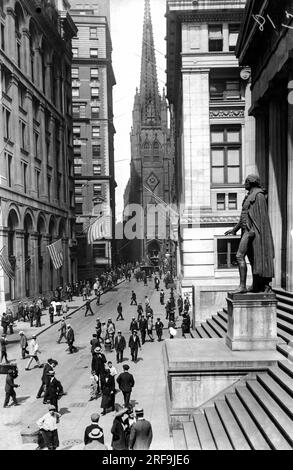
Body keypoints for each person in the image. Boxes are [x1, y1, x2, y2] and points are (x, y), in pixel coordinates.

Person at [225, 174, 275, 293]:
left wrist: (254, 230)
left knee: (239, 256)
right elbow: (244, 216)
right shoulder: (249, 196)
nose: (244, 183)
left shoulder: (259, 196)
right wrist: (235, 229)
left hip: (251, 232)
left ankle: (243, 286)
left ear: (252, 182)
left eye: (246, 181)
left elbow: (262, 219)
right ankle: (256, 285)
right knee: (252, 259)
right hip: (245, 231)